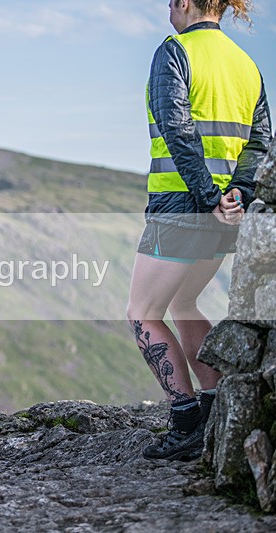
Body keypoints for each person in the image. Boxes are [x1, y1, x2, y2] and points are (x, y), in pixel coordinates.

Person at [127, 0, 271, 461]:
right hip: (226, 213)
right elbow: (261, 140)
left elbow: (176, 127)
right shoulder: (246, 64)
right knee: (185, 302)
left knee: (142, 313)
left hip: (181, 207)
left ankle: (186, 421)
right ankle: (212, 412)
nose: (168, 11)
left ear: (185, 4)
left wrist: (207, 197)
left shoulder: (173, 51)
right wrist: (237, 194)